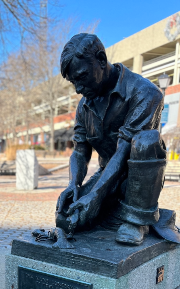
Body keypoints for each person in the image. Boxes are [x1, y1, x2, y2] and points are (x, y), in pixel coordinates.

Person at [56, 33, 180, 246]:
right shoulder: (85, 105)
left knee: (146, 140)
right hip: (107, 177)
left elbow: (123, 150)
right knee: (67, 219)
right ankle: (126, 213)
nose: (78, 88)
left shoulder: (145, 93)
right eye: (73, 81)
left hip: (140, 180)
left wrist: (95, 195)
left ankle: (138, 218)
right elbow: (80, 150)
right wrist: (73, 184)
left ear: (101, 61)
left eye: (82, 76)